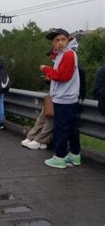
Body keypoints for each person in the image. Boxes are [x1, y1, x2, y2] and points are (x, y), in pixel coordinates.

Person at [40, 28, 81, 169]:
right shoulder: (65, 54)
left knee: (61, 128)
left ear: (68, 39)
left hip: (64, 98)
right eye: (56, 40)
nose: (60, 43)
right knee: (71, 128)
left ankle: (59, 157)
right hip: (69, 97)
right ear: (53, 43)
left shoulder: (69, 54)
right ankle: (75, 155)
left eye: (63, 39)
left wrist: (46, 69)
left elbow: (62, 76)